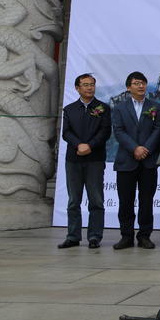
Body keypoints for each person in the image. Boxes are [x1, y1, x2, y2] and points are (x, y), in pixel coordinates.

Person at [112, 71, 160, 250]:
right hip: (126, 160)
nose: (141, 86)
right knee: (125, 201)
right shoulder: (120, 108)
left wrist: (145, 149)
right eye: (136, 83)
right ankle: (126, 236)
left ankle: (144, 236)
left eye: (143, 83)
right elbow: (118, 131)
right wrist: (134, 148)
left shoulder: (155, 106)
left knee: (146, 200)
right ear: (128, 87)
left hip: (148, 161)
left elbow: (158, 130)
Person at [58, 74, 111, 249]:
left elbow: (105, 132)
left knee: (96, 200)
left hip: (95, 159)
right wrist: (79, 145)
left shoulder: (103, 108)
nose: (89, 88)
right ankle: (73, 236)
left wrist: (90, 145)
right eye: (86, 85)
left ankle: (95, 236)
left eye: (92, 84)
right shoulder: (69, 109)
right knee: (74, 200)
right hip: (74, 159)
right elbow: (66, 133)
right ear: (77, 88)